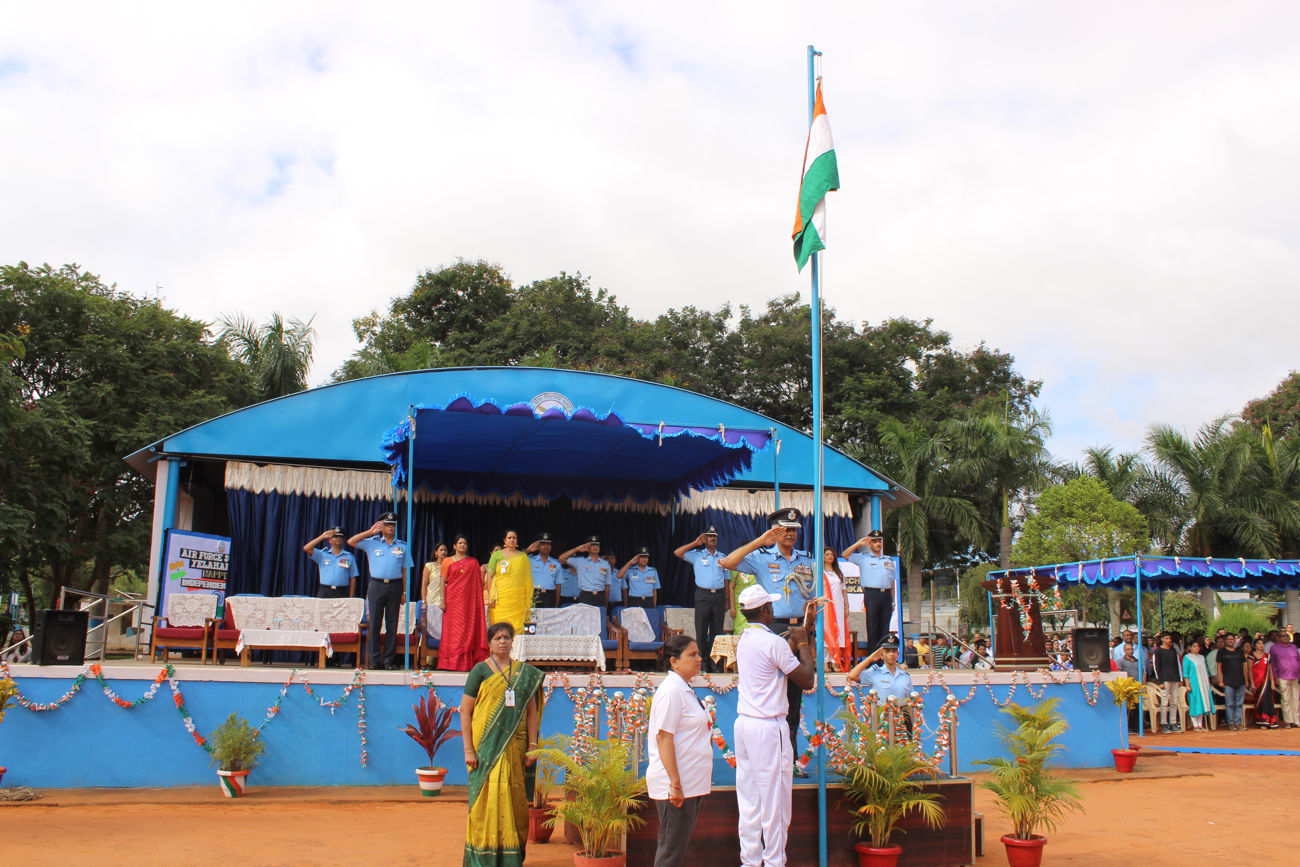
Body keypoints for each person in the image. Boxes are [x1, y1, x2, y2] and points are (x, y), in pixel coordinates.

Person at [720, 508, 816, 776]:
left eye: (794, 529)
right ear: (774, 531)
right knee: (772, 694)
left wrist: (810, 631)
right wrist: (760, 541)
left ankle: (791, 760)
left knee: (794, 699)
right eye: (785, 529)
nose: (791, 534)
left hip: (800, 629)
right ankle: (769, 758)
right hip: (773, 629)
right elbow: (727, 562)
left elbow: (813, 597)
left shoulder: (807, 560)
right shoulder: (761, 558)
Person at [731, 584, 815, 867]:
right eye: (771, 607)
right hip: (768, 727)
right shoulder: (772, 643)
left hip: (745, 724)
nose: (773, 611)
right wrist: (803, 642)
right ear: (765, 611)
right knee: (776, 803)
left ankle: (751, 861)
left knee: (750, 799)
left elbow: (780, 655)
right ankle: (774, 862)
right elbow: (807, 679)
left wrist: (806, 629)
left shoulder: (746, 638)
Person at [461, 622, 543, 867]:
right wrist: (468, 749)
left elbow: (531, 712)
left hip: (515, 749)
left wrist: (532, 744)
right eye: (497, 638)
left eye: (506, 637)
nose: (502, 642)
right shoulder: (480, 672)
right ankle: (481, 856)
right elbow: (465, 711)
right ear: (489, 643)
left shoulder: (523, 674)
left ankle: (511, 857)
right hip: (486, 750)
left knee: (514, 802)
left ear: (512, 641)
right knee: (483, 804)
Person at [646, 634, 712, 867]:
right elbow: (664, 737)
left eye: (698, 653)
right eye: (692, 655)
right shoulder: (671, 691)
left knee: (676, 850)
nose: (698, 658)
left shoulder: (684, 688)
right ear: (674, 662)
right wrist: (674, 783)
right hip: (676, 784)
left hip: (691, 782)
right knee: (670, 853)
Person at [349, 512, 413, 670]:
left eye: (393, 525)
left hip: (395, 586)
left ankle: (388, 661)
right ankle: (374, 660)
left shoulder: (402, 546)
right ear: (381, 527)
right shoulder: (372, 542)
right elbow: (351, 541)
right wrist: (369, 533)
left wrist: (404, 592)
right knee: (375, 624)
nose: (390, 528)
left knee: (392, 624)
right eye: (387, 525)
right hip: (376, 586)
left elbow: (405, 571)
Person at [674, 526, 731, 673]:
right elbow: (677, 553)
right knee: (701, 630)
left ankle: (715, 663)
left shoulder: (723, 557)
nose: (712, 538)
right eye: (709, 536)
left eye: (714, 536)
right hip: (702, 595)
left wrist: (726, 600)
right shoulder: (697, 555)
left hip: (718, 596)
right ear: (705, 539)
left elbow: (727, 580)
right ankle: (703, 662)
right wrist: (695, 543)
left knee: (717, 632)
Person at [841, 529, 897, 657]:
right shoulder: (864, 558)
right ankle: (872, 660)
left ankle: (883, 659)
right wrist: (859, 544)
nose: (878, 544)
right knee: (872, 628)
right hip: (872, 595)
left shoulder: (887, 560)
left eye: (879, 541)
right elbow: (845, 554)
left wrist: (893, 601)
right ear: (870, 544)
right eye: (875, 542)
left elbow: (892, 582)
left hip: (886, 595)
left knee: (885, 629)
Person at [438, 535, 488, 672]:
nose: (462, 545)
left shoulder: (473, 562)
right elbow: (442, 581)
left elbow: (477, 585)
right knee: (453, 631)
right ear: (454, 546)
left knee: (467, 630)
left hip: (468, 603)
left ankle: (467, 663)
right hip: (452, 601)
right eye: (460, 543)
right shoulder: (447, 561)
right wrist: (442, 600)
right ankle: (450, 662)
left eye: (465, 543)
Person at [847, 636, 914, 734]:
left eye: (894, 651)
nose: (891, 654)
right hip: (882, 720)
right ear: (881, 656)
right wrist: (870, 658)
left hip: (903, 721)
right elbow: (852, 675)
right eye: (887, 651)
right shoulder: (875, 673)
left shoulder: (905, 676)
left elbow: (910, 701)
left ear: (898, 654)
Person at [485, 530, 532, 633]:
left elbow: (527, 579)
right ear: (504, 540)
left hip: (518, 600)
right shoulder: (497, 555)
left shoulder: (523, 557)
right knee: (499, 628)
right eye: (509, 538)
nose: (512, 540)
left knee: (517, 628)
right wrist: (490, 594)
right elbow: (490, 575)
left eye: (514, 538)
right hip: (500, 600)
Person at [302, 527, 359, 598]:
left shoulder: (349, 557)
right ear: (330, 540)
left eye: (340, 537)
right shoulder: (322, 554)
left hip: (342, 592)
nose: (338, 538)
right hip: (325, 591)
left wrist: (351, 597)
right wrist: (322, 537)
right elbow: (306, 548)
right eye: (335, 537)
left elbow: (352, 578)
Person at [819, 547, 851, 673]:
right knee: (827, 633)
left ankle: (835, 662)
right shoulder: (820, 572)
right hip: (826, 606)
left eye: (832, 554)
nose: (830, 556)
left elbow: (844, 591)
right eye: (827, 554)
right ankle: (826, 663)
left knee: (838, 634)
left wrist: (847, 607)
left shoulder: (838, 571)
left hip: (838, 606)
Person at [559, 536, 612, 608]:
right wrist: (577, 549)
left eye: (597, 545)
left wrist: (606, 606)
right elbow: (561, 558)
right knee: (584, 619)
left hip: (600, 596)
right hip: (586, 596)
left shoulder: (605, 564)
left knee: (599, 618)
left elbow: (607, 586)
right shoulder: (580, 561)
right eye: (592, 545)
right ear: (587, 548)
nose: (595, 547)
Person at [1153, 632, 1183, 733]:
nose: (1169, 640)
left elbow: (1178, 665)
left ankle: (1173, 722)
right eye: (1166, 638)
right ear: (1162, 639)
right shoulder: (1158, 652)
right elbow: (1156, 667)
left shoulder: (1173, 650)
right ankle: (1164, 723)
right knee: (1165, 702)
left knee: (1174, 701)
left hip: (1174, 678)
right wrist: (1160, 681)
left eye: (1169, 638)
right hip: (1164, 679)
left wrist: (1180, 679)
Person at [1217, 633, 1248, 730]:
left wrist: (1246, 680)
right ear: (1225, 641)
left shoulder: (1239, 651)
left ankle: (1238, 722)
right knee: (1230, 703)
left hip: (1240, 680)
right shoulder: (1222, 652)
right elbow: (1219, 666)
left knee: (1239, 703)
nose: (1230, 641)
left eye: (1232, 639)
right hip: (1228, 681)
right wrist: (1221, 680)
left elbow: (1244, 666)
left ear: (1235, 641)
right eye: (1228, 639)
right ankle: (1231, 723)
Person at [1270, 629, 1300, 728]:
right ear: (1279, 638)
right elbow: (1272, 664)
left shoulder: (1293, 647)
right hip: (1282, 676)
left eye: (1286, 636)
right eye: (1283, 636)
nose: (1285, 638)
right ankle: (1288, 721)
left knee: (1296, 699)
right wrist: (1275, 678)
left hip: (1295, 676)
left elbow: (1298, 661)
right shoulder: (1274, 648)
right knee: (1286, 699)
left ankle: (1297, 720)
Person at [524, 532, 562, 609]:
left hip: (550, 595)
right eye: (543, 544)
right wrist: (528, 550)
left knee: (549, 620)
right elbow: (517, 559)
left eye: (548, 544)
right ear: (538, 546)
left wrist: (557, 604)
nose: (546, 546)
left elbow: (558, 585)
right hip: (534, 594)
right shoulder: (530, 560)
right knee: (533, 619)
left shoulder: (556, 563)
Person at [1182, 639, 1213, 730]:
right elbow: (1185, 673)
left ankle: (1200, 724)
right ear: (1190, 648)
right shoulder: (1187, 657)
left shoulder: (1202, 657)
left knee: (1202, 701)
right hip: (1194, 682)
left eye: (1198, 646)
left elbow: (1206, 670)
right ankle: (1195, 724)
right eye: (1194, 646)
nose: (1196, 648)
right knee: (1195, 702)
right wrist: (1188, 685)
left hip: (1203, 682)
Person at [1250, 637, 1279, 728]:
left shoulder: (1267, 656)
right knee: (1260, 701)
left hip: (1266, 682)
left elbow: (1270, 669)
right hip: (1256, 682)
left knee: (1268, 700)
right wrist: (1252, 683)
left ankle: (1268, 721)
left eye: (1262, 643)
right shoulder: (1252, 655)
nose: (1261, 645)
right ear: (1255, 646)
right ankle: (1261, 721)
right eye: (1259, 643)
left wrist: (1273, 682)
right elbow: (1250, 670)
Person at [420, 541, 449, 613]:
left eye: (445, 550)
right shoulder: (429, 566)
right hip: (432, 600)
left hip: (447, 601)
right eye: (441, 550)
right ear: (436, 552)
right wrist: (424, 601)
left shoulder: (450, 566)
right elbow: (424, 584)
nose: (443, 552)